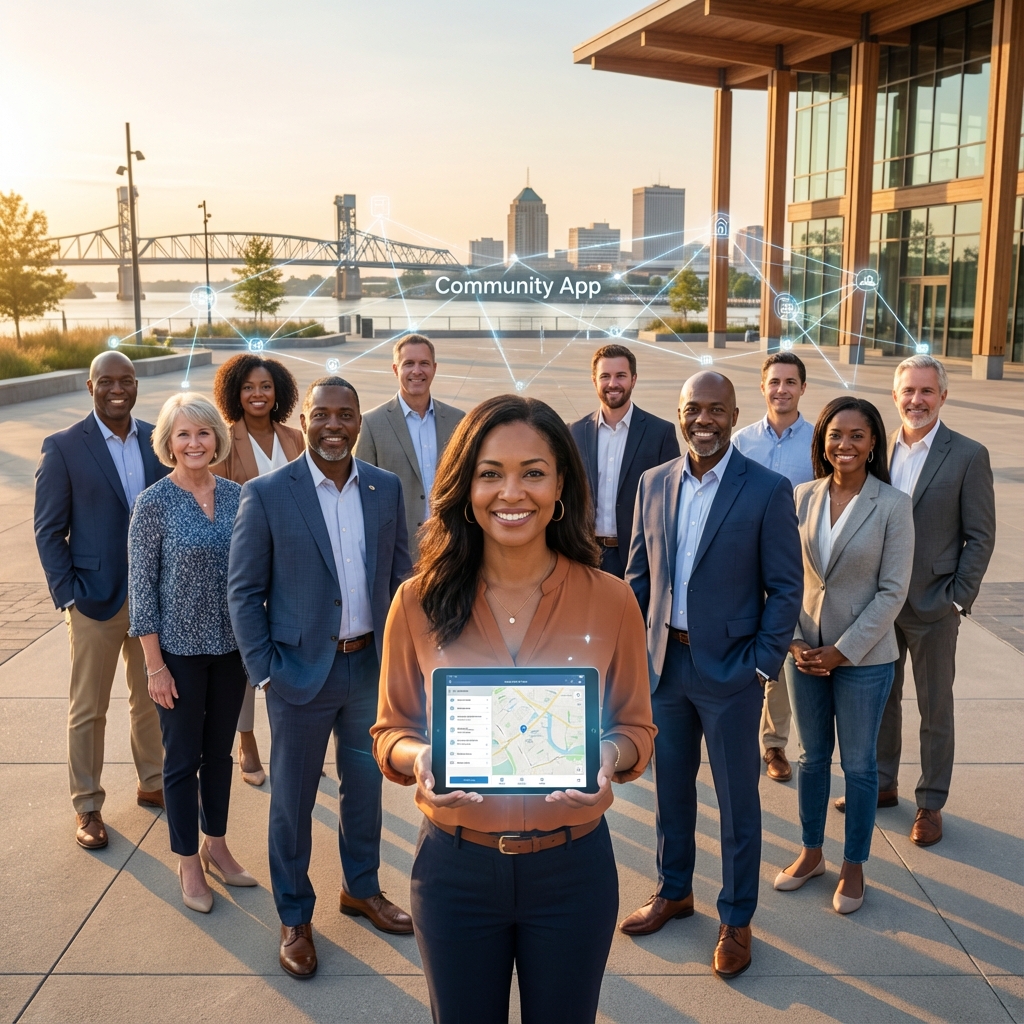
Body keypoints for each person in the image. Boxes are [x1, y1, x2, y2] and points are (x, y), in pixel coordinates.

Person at [371, 394, 655, 1024]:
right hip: (455, 870)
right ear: (465, 487)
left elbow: (636, 727)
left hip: (573, 870)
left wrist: (607, 755)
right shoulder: (416, 601)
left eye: (533, 472)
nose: (511, 492)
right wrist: (421, 758)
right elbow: (392, 730)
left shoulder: (610, 600)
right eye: (490, 473)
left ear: (561, 487)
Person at [228, 376, 413, 979]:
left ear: (360, 421)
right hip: (298, 675)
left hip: (368, 670)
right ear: (302, 420)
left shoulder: (384, 489)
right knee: (293, 800)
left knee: (365, 788)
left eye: (346, 414)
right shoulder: (266, 493)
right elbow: (244, 591)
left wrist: (402, 661)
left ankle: (360, 888)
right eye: (322, 414)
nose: (334, 425)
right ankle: (295, 916)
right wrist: (265, 674)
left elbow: (404, 581)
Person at [621, 371, 802, 980]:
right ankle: (675, 891)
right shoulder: (653, 483)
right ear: (678, 412)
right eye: (693, 408)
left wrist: (761, 664)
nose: (704, 419)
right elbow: (638, 579)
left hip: (730, 672)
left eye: (716, 409)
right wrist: (634, 655)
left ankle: (735, 916)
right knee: (670, 792)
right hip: (664, 669)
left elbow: (785, 587)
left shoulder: (768, 489)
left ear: (733, 414)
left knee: (735, 803)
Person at [777, 397, 913, 915]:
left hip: (864, 659)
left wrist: (842, 651)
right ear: (823, 441)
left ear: (874, 441)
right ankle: (812, 852)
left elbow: (892, 591)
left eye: (857, 435)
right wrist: (792, 639)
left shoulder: (893, 505)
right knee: (812, 761)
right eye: (836, 434)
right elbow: (784, 576)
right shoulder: (801, 496)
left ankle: (853, 864)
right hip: (803, 652)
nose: (845, 445)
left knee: (858, 768)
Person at [859, 355, 995, 847]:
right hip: (879, 603)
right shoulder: (877, 450)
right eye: (908, 392)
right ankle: (883, 783)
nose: (916, 400)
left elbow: (980, 537)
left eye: (926, 391)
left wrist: (958, 599)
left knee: (935, 708)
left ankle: (931, 802)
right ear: (895, 397)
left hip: (935, 607)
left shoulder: (967, 454)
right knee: (880, 700)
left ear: (942, 396)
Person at [34, 351, 167, 851]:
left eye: (126, 380)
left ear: (136, 386)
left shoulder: (158, 439)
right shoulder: (65, 446)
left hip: (153, 597)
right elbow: (49, 530)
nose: (118, 389)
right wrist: (68, 594)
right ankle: (87, 803)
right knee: (88, 707)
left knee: (152, 698)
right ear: (90, 386)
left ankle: (153, 783)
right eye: (107, 381)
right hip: (94, 599)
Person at [128, 393, 253, 913]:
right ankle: (186, 860)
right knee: (181, 760)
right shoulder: (153, 503)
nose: (194, 443)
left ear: (216, 439)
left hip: (230, 652)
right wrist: (154, 666)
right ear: (169, 442)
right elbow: (142, 591)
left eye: (203, 433)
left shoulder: (240, 495)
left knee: (218, 755)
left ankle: (216, 844)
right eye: (184, 434)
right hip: (176, 656)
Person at [212, 353, 304, 788]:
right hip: (247, 559)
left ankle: (297, 736)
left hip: (294, 562)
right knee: (247, 652)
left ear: (278, 392)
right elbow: (219, 505)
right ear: (236, 393)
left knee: (292, 647)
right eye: (249, 387)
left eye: (265, 386)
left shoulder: (296, 438)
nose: (257, 394)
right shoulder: (226, 442)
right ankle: (246, 738)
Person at [732, 352, 815, 784]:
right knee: (766, 656)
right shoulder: (743, 442)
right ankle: (773, 744)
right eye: (774, 382)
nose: (781, 389)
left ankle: (798, 745)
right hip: (750, 562)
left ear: (803, 388)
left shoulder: (819, 441)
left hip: (805, 566)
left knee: (796, 650)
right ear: (762, 387)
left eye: (790, 382)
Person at [569, 344, 680, 578]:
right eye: (605, 376)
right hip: (584, 556)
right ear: (594, 380)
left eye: (621, 376)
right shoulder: (574, 433)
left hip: (638, 559)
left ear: (634, 379)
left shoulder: (660, 433)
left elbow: (672, 502)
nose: (613, 384)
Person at [354, 334, 463, 562]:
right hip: (397, 551)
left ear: (434, 368)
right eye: (408, 364)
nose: (417, 371)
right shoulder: (373, 423)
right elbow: (361, 493)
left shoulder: (458, 421)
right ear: (396, 369)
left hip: (450, 547)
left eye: (424, 363)